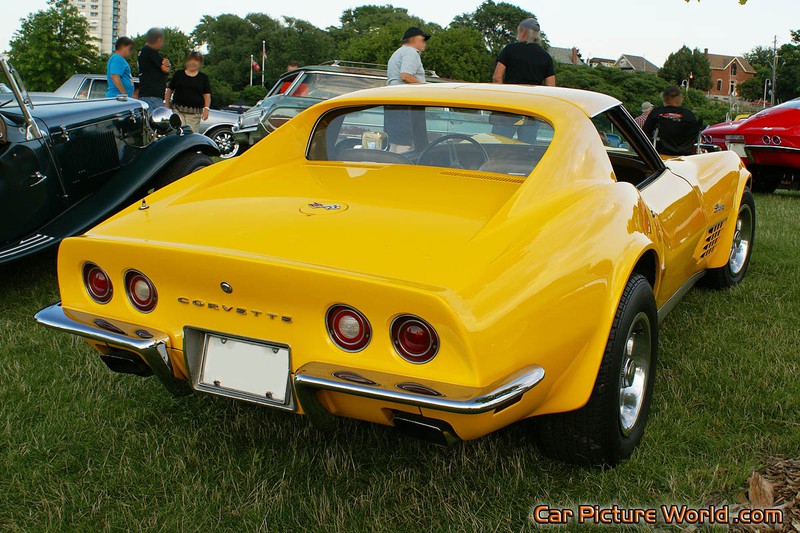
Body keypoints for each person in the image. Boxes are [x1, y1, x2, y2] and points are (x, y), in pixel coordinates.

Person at [385, 27, 431, 152]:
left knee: (395, 142)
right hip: (406, 102)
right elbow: (406, 75)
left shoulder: (397, 53)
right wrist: (426, 88)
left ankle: (391, 163)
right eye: (423, 40)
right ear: (414, 39)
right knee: (405, 143)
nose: (424, 43)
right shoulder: (411, 52)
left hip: (392, 101)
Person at [492, 18, 556, 87]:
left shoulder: (510, 49)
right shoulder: (546, 57)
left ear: (523, 32)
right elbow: (551, 85)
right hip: (533, 93)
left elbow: (497, 77)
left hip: (512, 92)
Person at [642, 86, 703, 156]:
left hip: (660, 154)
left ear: (664, 98)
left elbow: (645, 134)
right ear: (680, 99)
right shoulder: (689, 115)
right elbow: (694, 137)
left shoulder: (656, 113)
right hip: (685, 155)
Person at [164, 51, 211, 133]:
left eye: (196, 60)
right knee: (178, 133)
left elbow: (207, 95)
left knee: (190, 135)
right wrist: (166, 105)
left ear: (200, 63)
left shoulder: (203, 78)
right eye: (191, 60)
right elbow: (169, 90)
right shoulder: (178, 74)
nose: (193, 62)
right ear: (187, 61)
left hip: (194, 115)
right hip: (177, 111)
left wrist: (206, 110)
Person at [137, 27, 170, 109]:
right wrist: (167, 64)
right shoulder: (150, 51)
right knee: (157, 116)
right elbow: (165, 69)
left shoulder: (143, 51)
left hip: (146, 94)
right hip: (152, 96)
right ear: (159, 39)